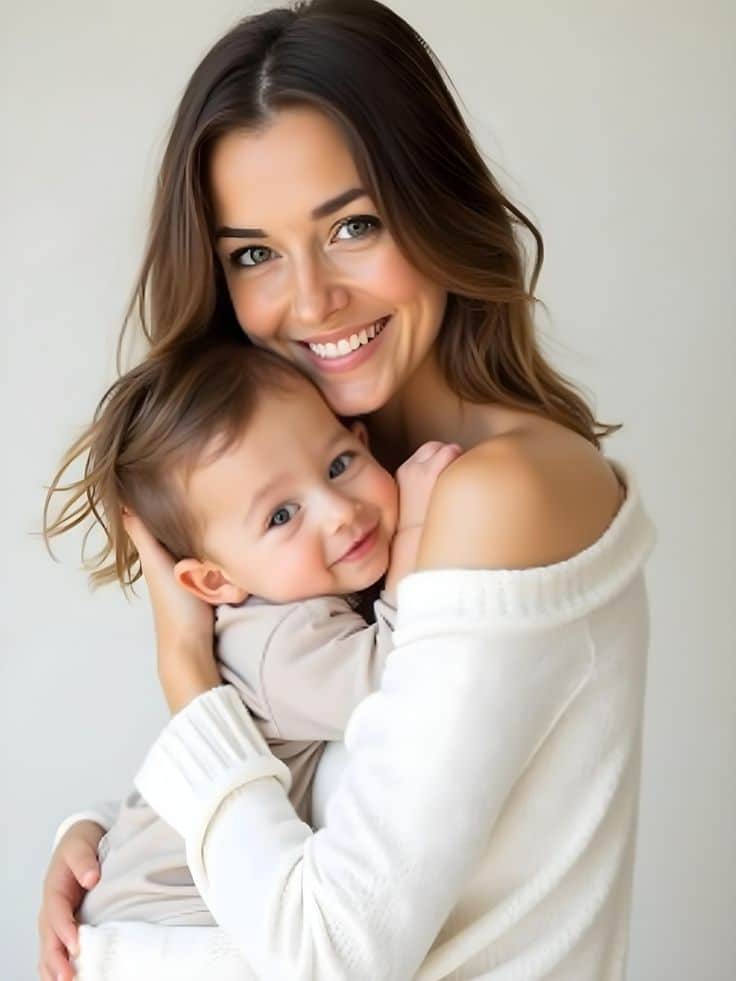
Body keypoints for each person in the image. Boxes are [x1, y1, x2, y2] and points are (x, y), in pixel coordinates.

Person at [37, 1, 656, 979]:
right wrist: (114, 852)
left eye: (353, 225)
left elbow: (331, 953)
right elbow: (316, 793)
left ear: (436, 203)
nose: (312, 300)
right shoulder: (336, 503)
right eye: (254, 253)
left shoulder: (497, 496)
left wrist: (187, 677)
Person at [46, 337, 459, 926]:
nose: (339, 511)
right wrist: (419, 524)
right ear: (214, 581)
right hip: (163, 929)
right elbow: (400, 678)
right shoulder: (280, 642)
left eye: (339, 464)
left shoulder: (276, 611)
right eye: (281, 515)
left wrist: (92, 826)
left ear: (362, 440)